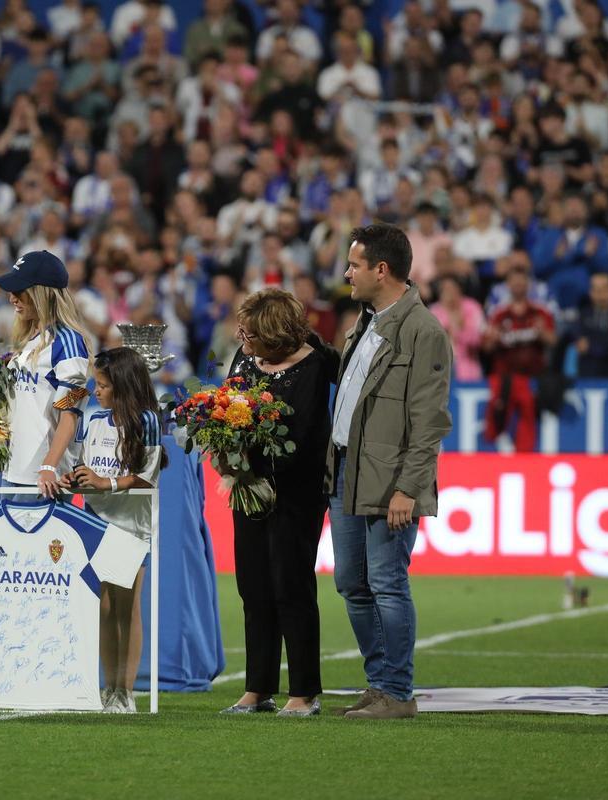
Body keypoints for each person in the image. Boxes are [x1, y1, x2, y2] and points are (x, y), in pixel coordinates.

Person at [327, 224, 453, 720]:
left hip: (389, 482)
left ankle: (397, 692)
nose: (346, 273)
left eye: (354, 265)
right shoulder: (365, 321)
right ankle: (380, 684)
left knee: (386, 582)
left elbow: (429, 424)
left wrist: (408, 487)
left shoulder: (424, 333)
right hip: (345, 474)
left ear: (382, 269)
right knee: (351, 584)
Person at [223, 290, 338, 717]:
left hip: (296, 490)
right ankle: (258, 687)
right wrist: (225, 448)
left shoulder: (313, 365)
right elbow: (227, 404)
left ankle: (304, 691)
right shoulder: (244, 357)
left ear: (274, 333)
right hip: (248, 485)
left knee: (291, 584)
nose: (241, 337)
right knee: (253, 585)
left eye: (250, 332)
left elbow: (303, 431)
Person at [60, 347, 167, 713]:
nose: (96, 389)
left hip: (130, 526)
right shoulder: (93, 420)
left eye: (103, 384)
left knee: (126, 607)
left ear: (123, 384)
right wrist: (75, 480)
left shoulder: (148, 421)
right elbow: (87, 469)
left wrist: (105, 483)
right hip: (95, 523)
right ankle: (108, 689)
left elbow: (147, 477)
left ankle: (126, 692)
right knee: (102, 608)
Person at [0, 250, 92, 498]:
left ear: (42, 293)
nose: (12, 297)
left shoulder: (67, 342)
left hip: (44, 478)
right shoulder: (29, 340)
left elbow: (70, 411)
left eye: (20, 290)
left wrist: (49, 466)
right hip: (13, 470)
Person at [482, 267, 556, 452]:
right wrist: (495, 338)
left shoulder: (539, 313)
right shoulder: (499, 315)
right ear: (508, 285)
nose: (518, 286)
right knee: (496, 417)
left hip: (531, 378)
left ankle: (525, 457)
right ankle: (489, 457)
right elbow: (486, 347)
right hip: (504, 377)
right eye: (514, 282)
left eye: (521, 282)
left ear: (528, 285)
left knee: (528, 416)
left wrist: (542, 333)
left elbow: (553, 341)